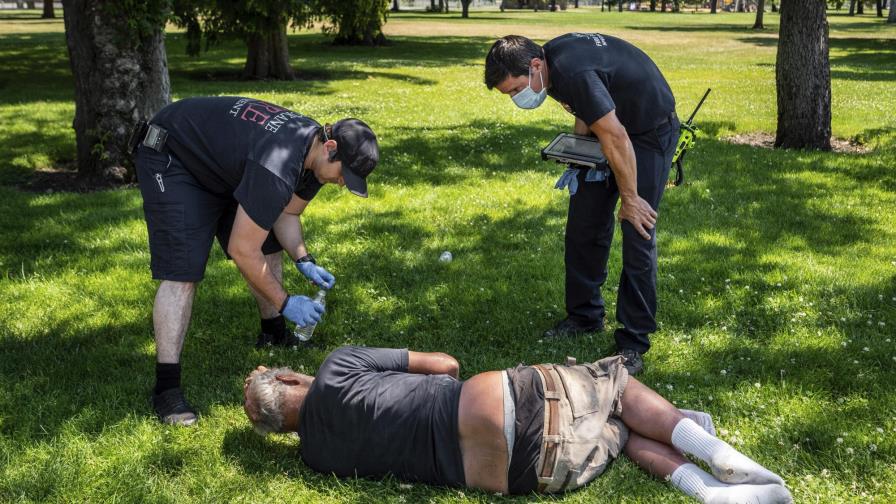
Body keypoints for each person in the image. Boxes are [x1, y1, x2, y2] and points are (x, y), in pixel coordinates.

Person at [243, 346, 793, 503]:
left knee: (618, 434)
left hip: (531, 473)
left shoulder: (316, 459)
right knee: (617, 388)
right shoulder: (337, 367)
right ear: (291, 384)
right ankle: (717, 452)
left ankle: (710, 494)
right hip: (496, 405)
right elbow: (446, 365)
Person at [134, 96, 379, 426]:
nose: (341, 182)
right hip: (173, 155)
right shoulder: (278, 165)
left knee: (268, 242)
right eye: (343, 174)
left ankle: (273, 333)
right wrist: (286, 301)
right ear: (330, 147)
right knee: (183, 271)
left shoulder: (312, 153)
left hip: (220, 165)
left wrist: (304, 259)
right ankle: (166, 389)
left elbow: (287, 213)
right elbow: (242, 250)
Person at [484, 34, 681, 375]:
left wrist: (630, 199)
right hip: (613, 129)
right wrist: (580, 154)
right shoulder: (550, 64)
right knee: (583, 223)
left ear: (534, 67)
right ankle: (584, 316)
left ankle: (633, 342)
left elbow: (616, 136)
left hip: (647, 132)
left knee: (637, 228)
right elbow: (588, 111)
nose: (518, 98)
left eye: (516, 90)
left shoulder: (572, 72)